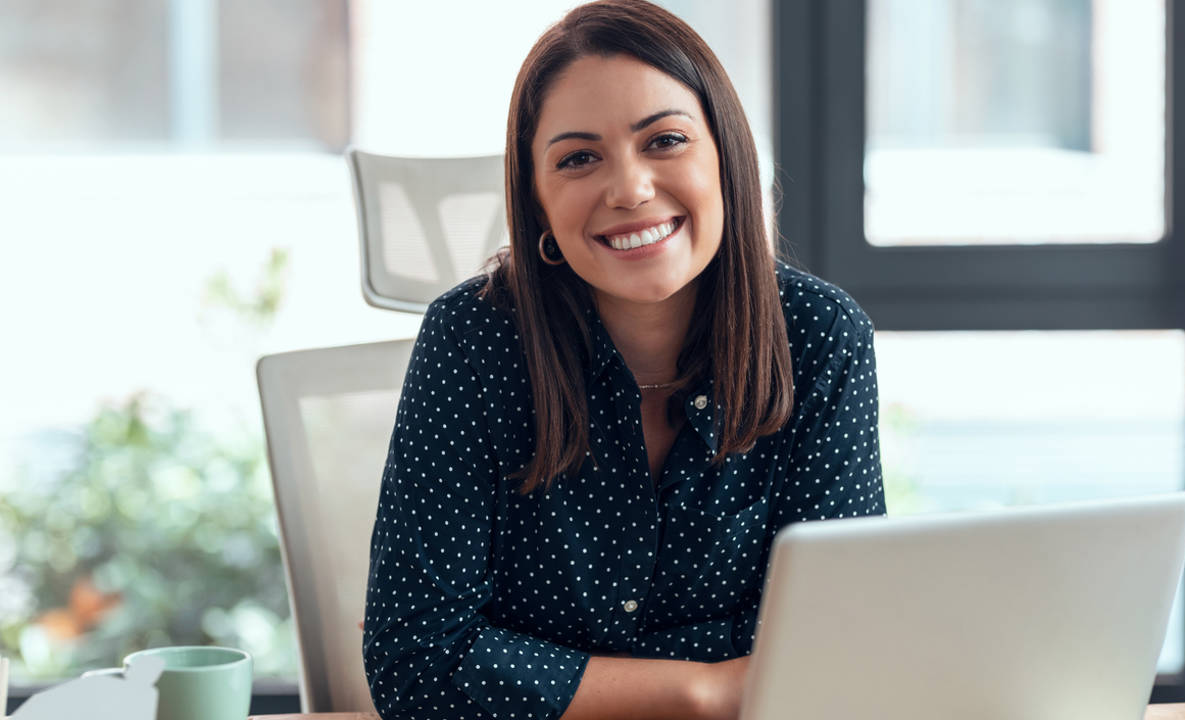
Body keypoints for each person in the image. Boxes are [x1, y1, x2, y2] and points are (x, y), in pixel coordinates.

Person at [361, 1, 885, 719]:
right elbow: (415, 665)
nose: (630, 189)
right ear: (538, 203)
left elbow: (839, 643)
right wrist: (705, 688)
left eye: (664, 140)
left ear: (726, 157)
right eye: (578, 159)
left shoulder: (819, 338)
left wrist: (528, 668)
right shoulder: (472, 340)